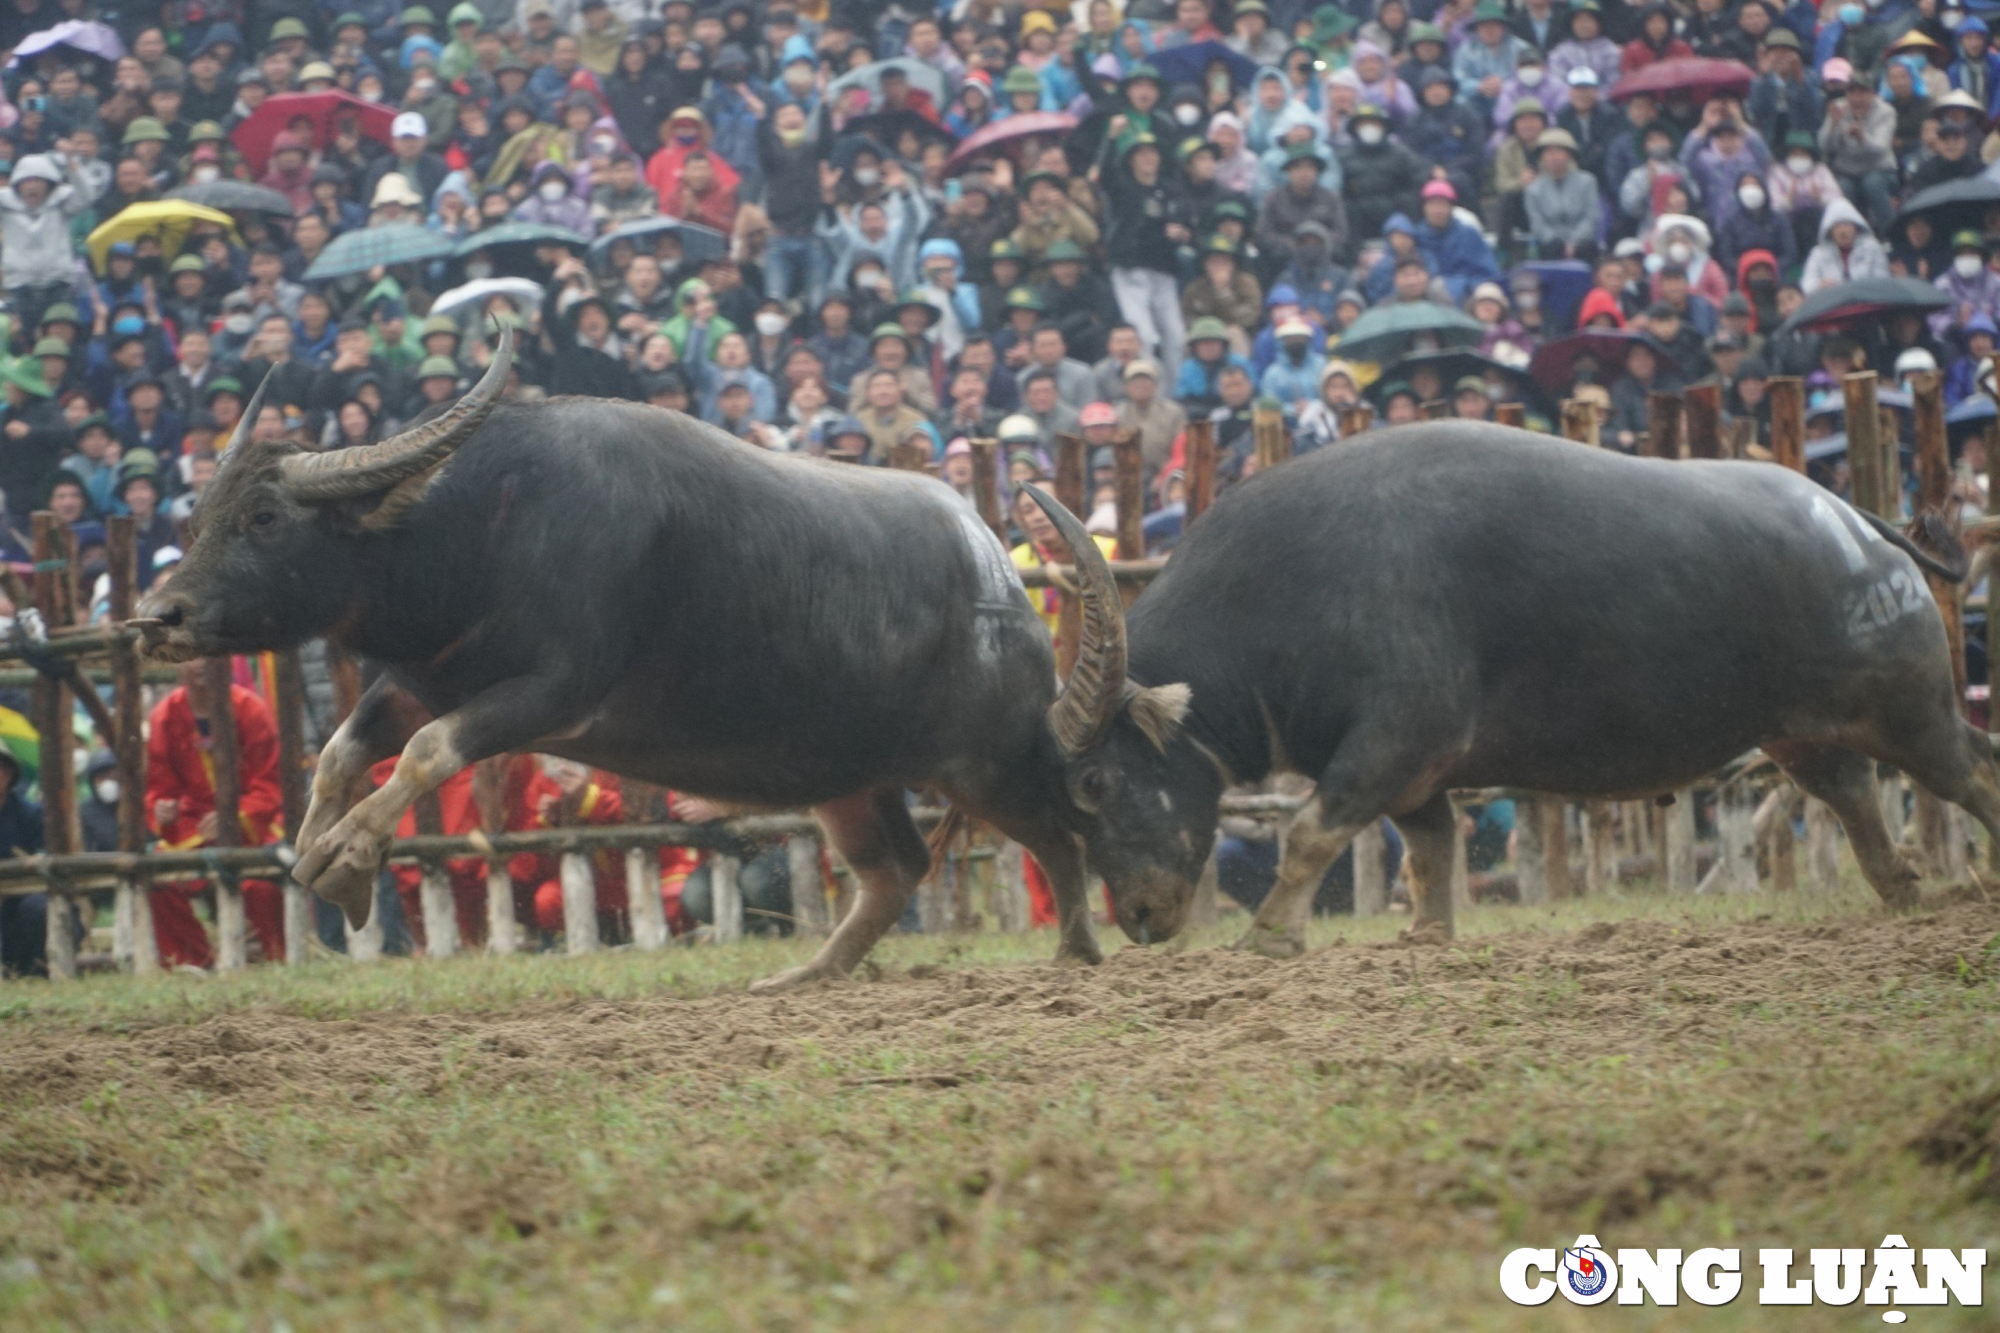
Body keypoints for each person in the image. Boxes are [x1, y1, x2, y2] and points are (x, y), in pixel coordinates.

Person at [145, 660, 287, 968]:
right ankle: (192, 963)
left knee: (262, 886)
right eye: (190, 654)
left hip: (253, 828)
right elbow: (158, 787)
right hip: (191, 829)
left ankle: (280, 957)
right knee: (158, 881)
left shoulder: (252, 709)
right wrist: (162, 811)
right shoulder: (163, 716)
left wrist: (235, 818)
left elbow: (270, 786)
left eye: (208, 652)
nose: (200, 663)